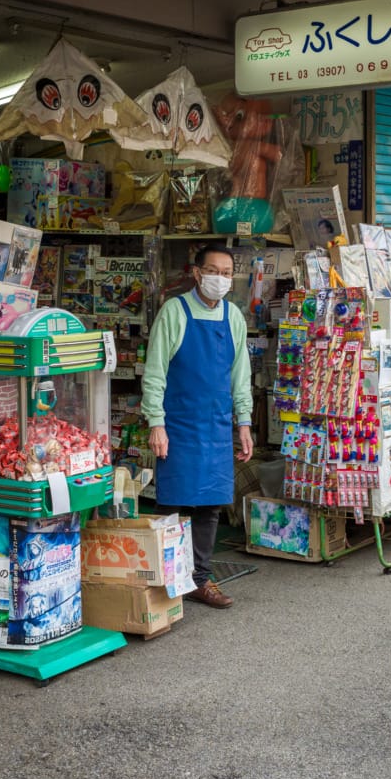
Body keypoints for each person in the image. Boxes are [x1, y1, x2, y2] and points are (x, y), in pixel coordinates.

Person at [142, 243, 254, 609]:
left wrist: (244, 422)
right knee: (172, 504)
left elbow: (240, 376)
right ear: (196, 273)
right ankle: (165, 581)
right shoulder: (174, 312)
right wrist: (155, 423)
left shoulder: (233, 317)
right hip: (179, 425)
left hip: (217, 425)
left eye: (226, 273)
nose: (219, 279)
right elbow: (155, 372)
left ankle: (200, 580)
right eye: (213, 271)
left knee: (210, 506)